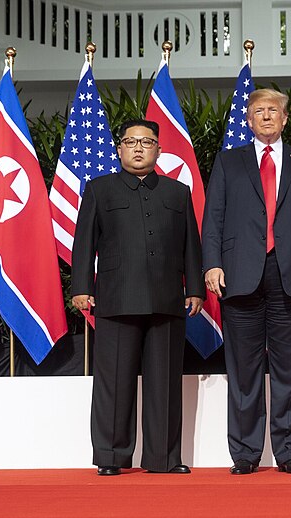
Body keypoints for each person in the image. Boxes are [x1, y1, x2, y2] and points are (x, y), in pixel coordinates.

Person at [202, 88, 291, 475]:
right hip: (239, 275)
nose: (266, 117)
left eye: (273, 110)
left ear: (285, 118)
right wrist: (212, 264)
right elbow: (213, 219)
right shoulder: (229, 162)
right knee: (243, 370)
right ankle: (245, 453)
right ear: (248, 119)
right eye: (258, 111)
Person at [71, 119, 204, 475]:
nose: (139, 148)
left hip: (167, 299)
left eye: (147, 142)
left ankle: (163, 457)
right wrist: (81, 287)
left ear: (159, 150)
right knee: (113, 381)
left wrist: (195, 288)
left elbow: (191, 243)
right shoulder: (100, 189)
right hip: (115, 298)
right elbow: (83, 242)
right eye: (131, 142)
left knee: (164, 382)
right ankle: (111, 457)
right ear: (120, 149)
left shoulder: (177, 192)